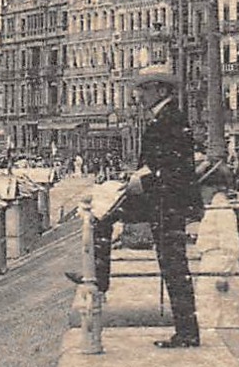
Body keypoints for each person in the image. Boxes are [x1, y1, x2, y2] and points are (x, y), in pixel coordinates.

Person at [67, 66, 202, 348]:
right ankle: (99, 276)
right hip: (160, 196)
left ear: (161, 90)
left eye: (144, 89)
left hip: (167, 200)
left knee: (174, 266)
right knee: (102, 217)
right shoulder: (163, 118)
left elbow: (178, 169)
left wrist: (145, 182)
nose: (138, 95)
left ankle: (187, 332)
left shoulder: (170, 120)